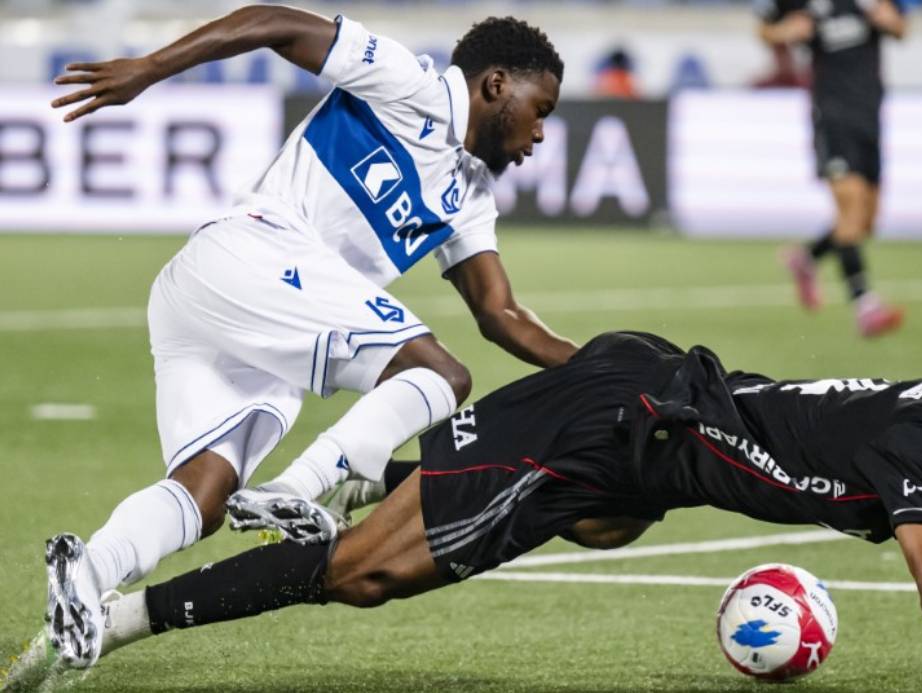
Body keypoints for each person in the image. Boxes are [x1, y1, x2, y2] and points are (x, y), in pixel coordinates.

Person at [36, 331, 922, 692]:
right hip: (616, 421)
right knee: (363, 577)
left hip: (646, 456)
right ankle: (123, 618)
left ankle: (369, 480)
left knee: (601, 527)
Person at [40, 4, 579, 667]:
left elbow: (501, 313)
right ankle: (296, 491)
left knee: (203, 494)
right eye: (541, 109)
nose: (541, 133)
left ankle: (87, 571)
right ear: (496, 85)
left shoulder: (471, 197)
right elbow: (276, 23)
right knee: (440, 374)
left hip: (241, 311)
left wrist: (603, 364)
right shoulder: (408, 83)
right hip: (253, 255)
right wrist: (150, 69)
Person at [757, 0, 907, 337]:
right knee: (850, 204)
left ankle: (808, 258)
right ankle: (865, 304)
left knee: (865, 222)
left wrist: (889, 20)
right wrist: (785, 31)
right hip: (831, 114)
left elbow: (901, 28)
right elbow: (764, 30)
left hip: (869, 114)